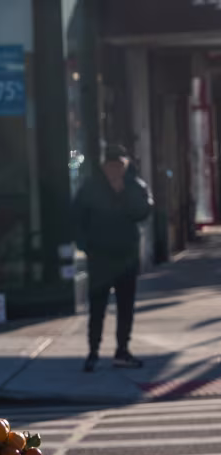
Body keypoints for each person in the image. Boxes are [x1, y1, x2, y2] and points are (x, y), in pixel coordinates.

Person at [73, 144, 154, 372]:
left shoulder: (134, 185)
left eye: (120, 165)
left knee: (125, 306)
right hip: (99, 256)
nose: (115, 170)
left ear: (126, 166)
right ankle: (93, 352)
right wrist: (85, 246)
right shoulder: (91, 188)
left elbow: (143, 212)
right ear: (103, 167)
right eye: (111, 166)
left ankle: (122, 351)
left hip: (126, 255)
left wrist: (125, 192)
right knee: (97, 307)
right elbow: (77, 217)